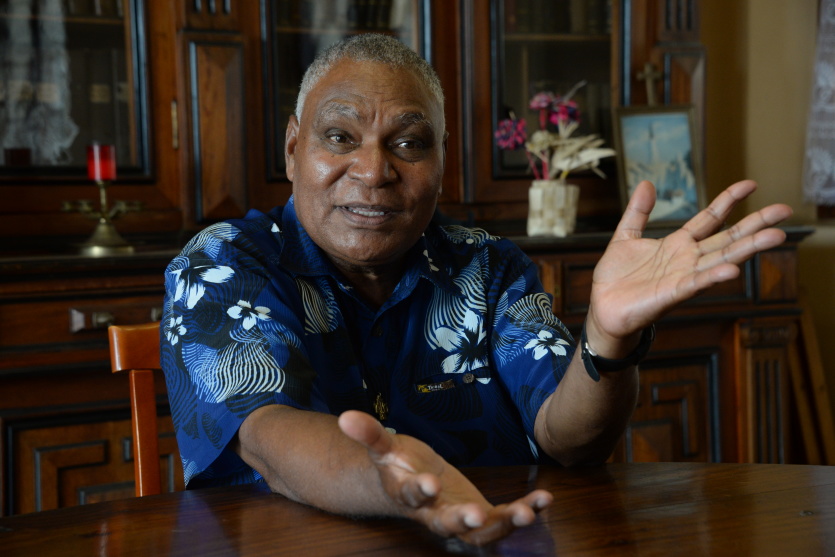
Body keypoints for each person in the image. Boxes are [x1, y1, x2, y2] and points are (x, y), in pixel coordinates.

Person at [160, 33, 793, 546]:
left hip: (496, 539)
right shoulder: (224, 263)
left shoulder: (487, 266)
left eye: (409, 143)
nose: (374, 170)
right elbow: (271, 438)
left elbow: (569, 438)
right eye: (340, 137)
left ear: (442, 159)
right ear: (294, 148)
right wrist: (404, 487)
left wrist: (608, 338)